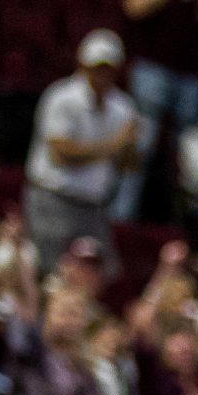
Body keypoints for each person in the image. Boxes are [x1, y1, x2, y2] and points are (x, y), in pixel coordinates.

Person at [24, 31, 141, 270]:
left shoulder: (124, 107)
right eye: (97, 67)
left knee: (103, 274)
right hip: (54, 199)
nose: (102, 74)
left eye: (107, 68)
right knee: (51, 271)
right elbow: (61, 155)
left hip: (94, 205)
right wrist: (115, 145)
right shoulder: (61, 97)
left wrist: (130, 147)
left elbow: (128, 165)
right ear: (83, 65)